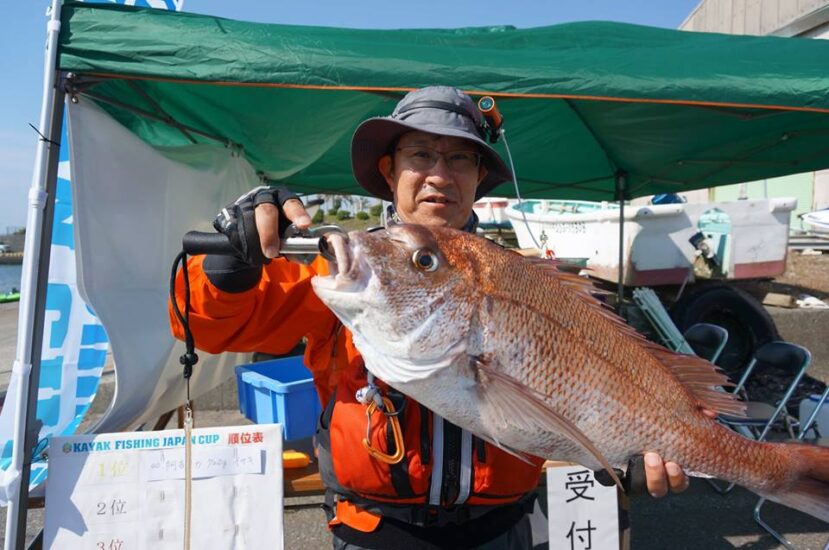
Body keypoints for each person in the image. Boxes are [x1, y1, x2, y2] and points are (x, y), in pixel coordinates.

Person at [170, 86, 694, 549]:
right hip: (373, 533)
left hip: (502, 530)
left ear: (480, 177)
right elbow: (213, 324)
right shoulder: (350, 270)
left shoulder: (524, 279)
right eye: (420, 154)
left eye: (461, 159)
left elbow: (591, 389)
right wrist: (228, 265)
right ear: (389, 170)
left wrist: (628, 447)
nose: (439, 175)